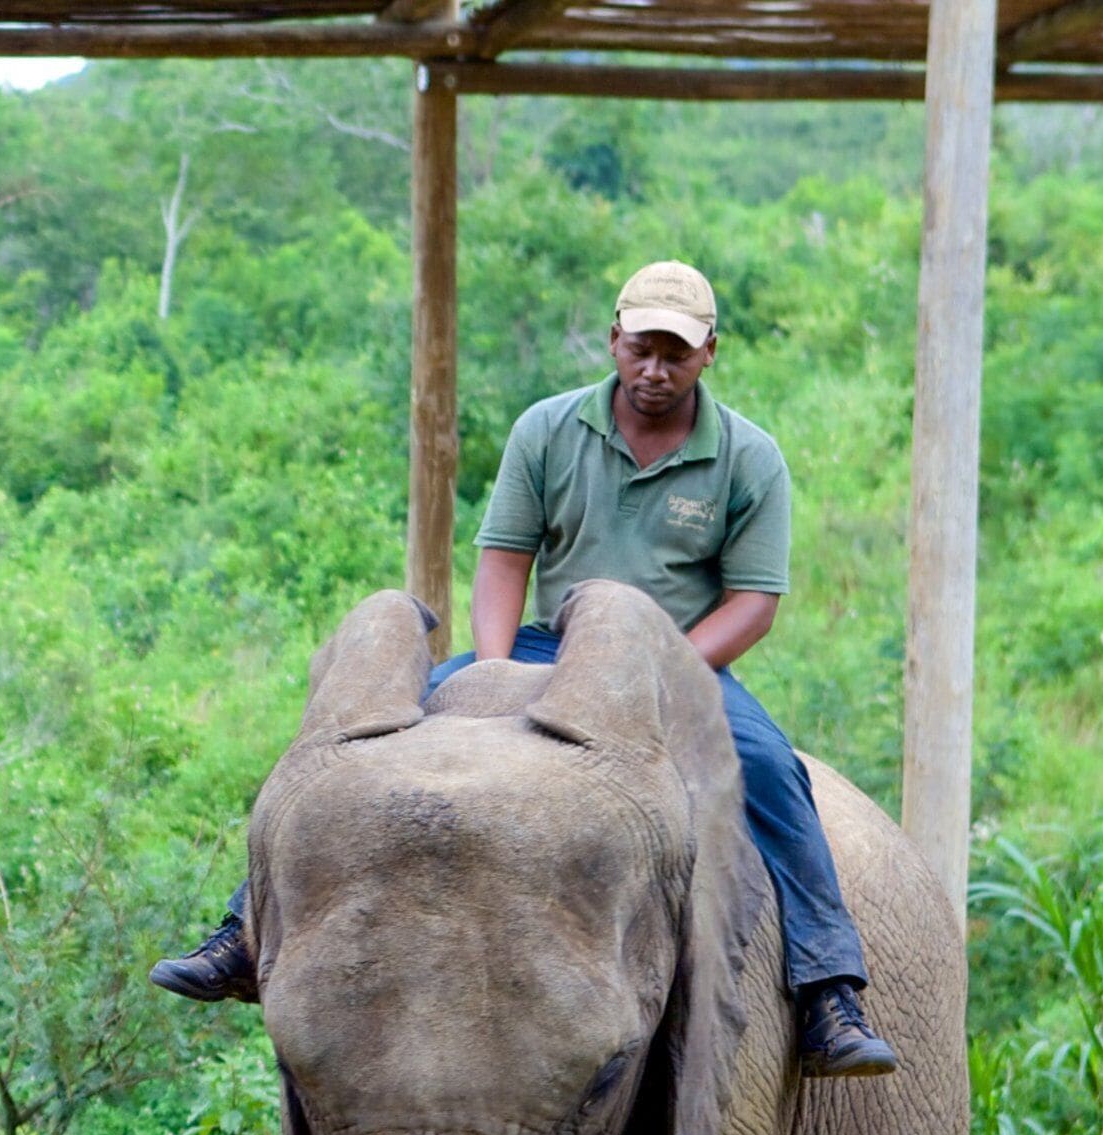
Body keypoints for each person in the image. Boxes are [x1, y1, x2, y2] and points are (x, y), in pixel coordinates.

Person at [150, 260, 897, 1080]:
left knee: (769, 770)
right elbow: (505, 560)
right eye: (641, 348)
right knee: (365, 736)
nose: (654, 369)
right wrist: (497, 672)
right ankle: (244, 932)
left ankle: (829, 989)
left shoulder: (749, 457)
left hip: (679, 660)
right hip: (547, 645)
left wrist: (662, 672)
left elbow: (754, 603)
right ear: (613, 338)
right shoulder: (548, 429)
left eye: (675, 355)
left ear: (709, 354)